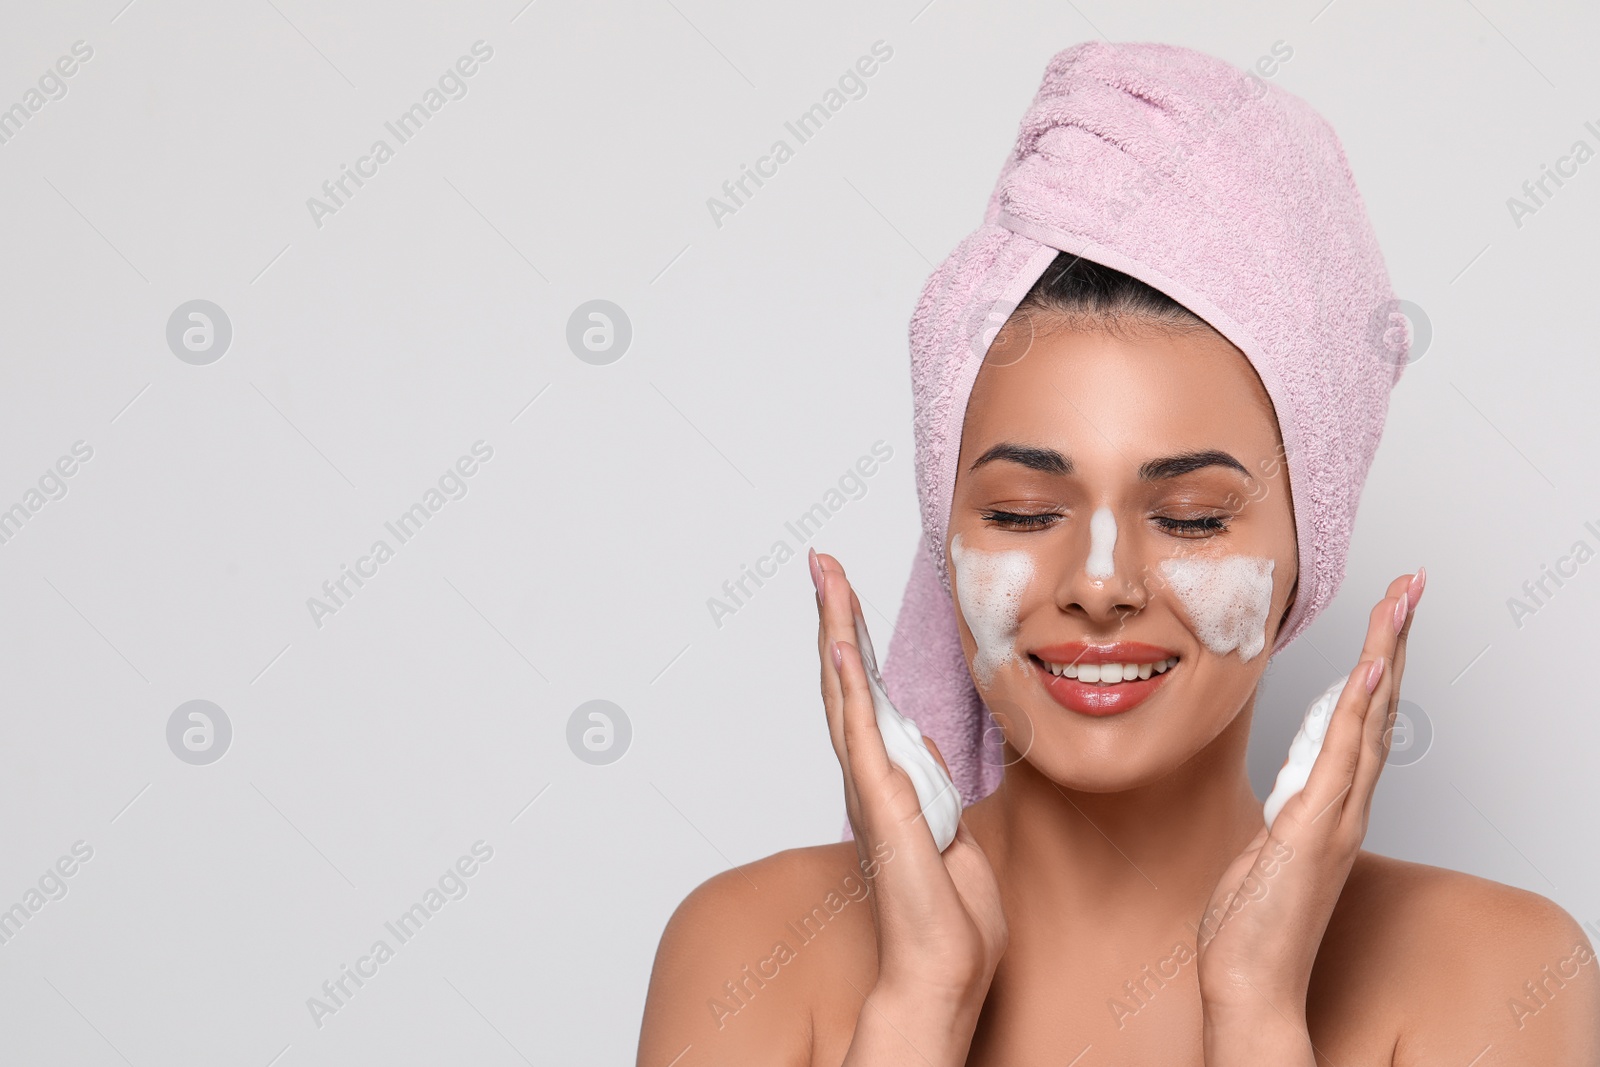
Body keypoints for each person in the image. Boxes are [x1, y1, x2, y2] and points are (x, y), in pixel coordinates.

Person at [636, 42, 1600, 1066]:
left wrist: (1259, 1015)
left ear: (1306, 553)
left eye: (1188, 515)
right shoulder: (750, 952)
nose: (1099, 584)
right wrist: (918, 1005)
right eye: (1018, 510)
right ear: (946, 528)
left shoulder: (1492, 971)